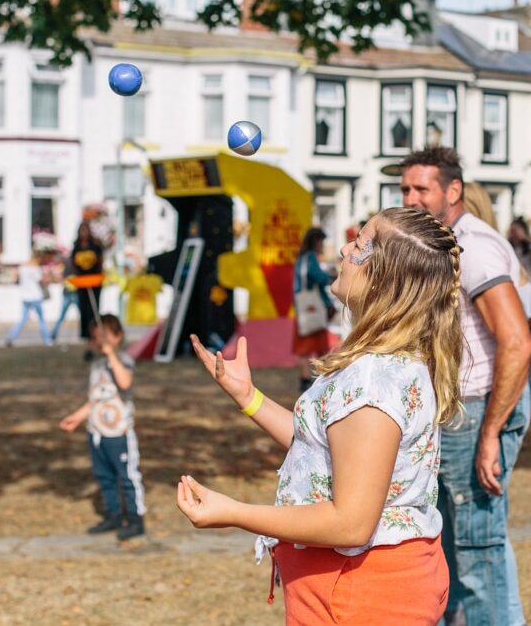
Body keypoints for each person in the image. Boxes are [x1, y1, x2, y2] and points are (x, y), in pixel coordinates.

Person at [176, 207, 462, 624]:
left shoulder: (372, 378)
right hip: (365, 589)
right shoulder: (390, 361)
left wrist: (234, 512)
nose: (345, 248)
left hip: (358, 597)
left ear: (385, 279)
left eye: (361, 244)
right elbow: (330, 452)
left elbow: (351, 524)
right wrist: (248, 397)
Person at [401, 147, 531, 625]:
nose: (411, 198)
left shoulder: (473, 245)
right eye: (405, 189)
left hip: (477, 409)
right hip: (451, 412)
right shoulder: (439, 242)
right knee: (446, 550)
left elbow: (518, 342)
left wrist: (491, 434)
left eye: (422, 189)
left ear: (452, 192)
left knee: (479, 551)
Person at [463, 182, 531, 624]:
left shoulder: (482, 257)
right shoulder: (499, 254)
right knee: (487, 537)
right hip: (501, 397)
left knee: (486, 539)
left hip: (494, 401)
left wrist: (510, 364)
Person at [59, 314, 145, 541]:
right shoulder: (96, 366)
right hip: (96, 433)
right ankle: (113, 514)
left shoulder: (124, 360)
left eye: (106, 337)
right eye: (97, 338)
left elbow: (125, 382)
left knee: (127, 477)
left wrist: (112, 355)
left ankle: (136, 519)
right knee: (104, 476)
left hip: (119, 434)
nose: (101, 342)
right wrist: (78, 417)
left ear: (119, 337)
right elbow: (95, 398)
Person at [292, 228, 336, 393]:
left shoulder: (301, 258)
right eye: (321, 242)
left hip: (303, 310)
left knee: (304, 349)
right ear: (315, 241)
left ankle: (305, 380)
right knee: (315, 348)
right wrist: (330, 275)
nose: (322, 245)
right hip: (312, 311)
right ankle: (310, 381)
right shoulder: (310, 258)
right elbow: (319, 277)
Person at [70, 222, 105, 346]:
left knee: (93, 308)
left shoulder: (95, 245)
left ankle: (94, 332)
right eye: (82, 231)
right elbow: (73, 262)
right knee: (83, 308)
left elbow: (100, 261)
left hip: (94, 281)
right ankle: (85, 333)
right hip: (81, 282)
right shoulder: (76, 246)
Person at [5, 253, 52, 347]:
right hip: (35, 296)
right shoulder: (35, 269)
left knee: (22, 319)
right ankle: (47, 340)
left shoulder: (22, 269)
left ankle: (11, 337)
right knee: (41, 319)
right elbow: (42, 281)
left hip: (25, 297)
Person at [50, 258, 81, 344]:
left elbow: (61, 277)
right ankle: (84, 334)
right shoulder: (77, 262)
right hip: (75, 292)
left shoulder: (65, 263)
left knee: (61, 316)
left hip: (67, 292)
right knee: (81, 315)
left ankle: (53, 334)